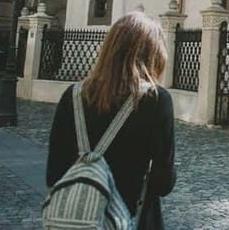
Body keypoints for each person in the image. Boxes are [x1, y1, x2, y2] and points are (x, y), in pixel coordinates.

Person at [46, 12, 176, 230]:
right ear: (154, 56)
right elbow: (163, 182)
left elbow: (54, 174)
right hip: (130, 218)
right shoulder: (155, 100)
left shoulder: (73, 96)